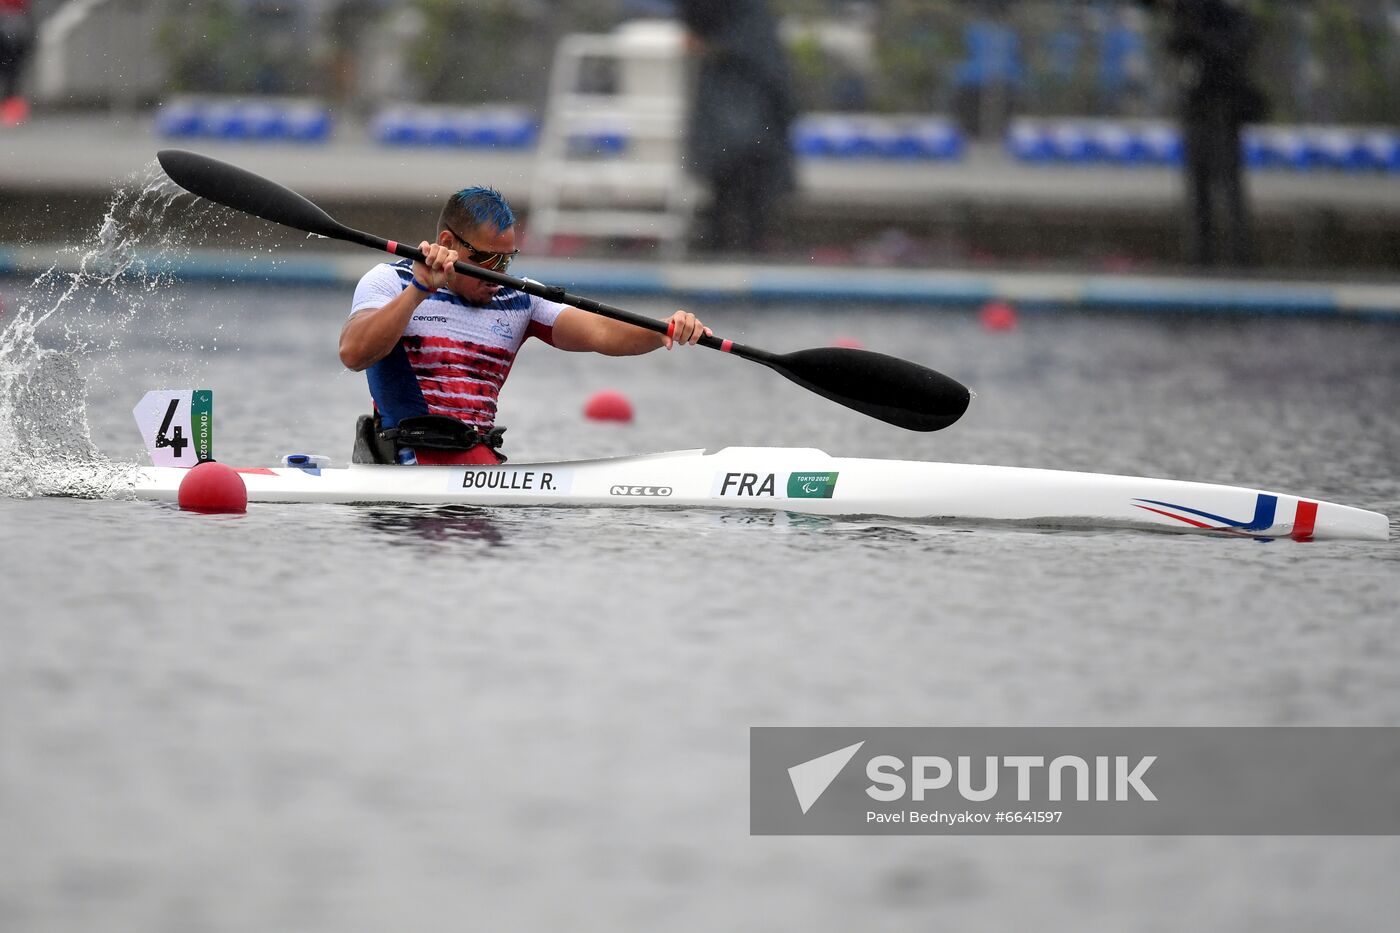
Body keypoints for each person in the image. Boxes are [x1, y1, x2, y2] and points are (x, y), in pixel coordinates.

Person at [340, 186, 710, 466]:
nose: (498, 274)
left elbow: (600, 332)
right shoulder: (389, 282)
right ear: (448, 243)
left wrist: (663, 328)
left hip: (476, 465)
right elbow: (353, 354)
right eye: (486, 259)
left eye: (507, 260)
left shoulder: (520, 299)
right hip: (407, 468)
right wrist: (418, 291)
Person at [1146, 0, 1267, 267]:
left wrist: (1201, 34)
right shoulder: (1188, 14)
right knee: (1199, 185)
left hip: (1224, 108)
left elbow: (1235, 49)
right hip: (1197, 108)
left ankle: (1240, 256)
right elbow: (1175, 48)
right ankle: (1202, 255)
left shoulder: (1230, 16)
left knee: (1229, 184)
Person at [677, 0, 797, 255]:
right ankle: (733, 243)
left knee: (742, 168)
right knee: (732, 179)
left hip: (745, 84)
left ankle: (739, 243)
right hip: (742, 79)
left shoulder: (745, 35)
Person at [0, 0, 34, 126]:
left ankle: (11, 108)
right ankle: (11, 107)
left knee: (11, 72)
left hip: (15, 24)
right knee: (12, 73)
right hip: (16, 24)